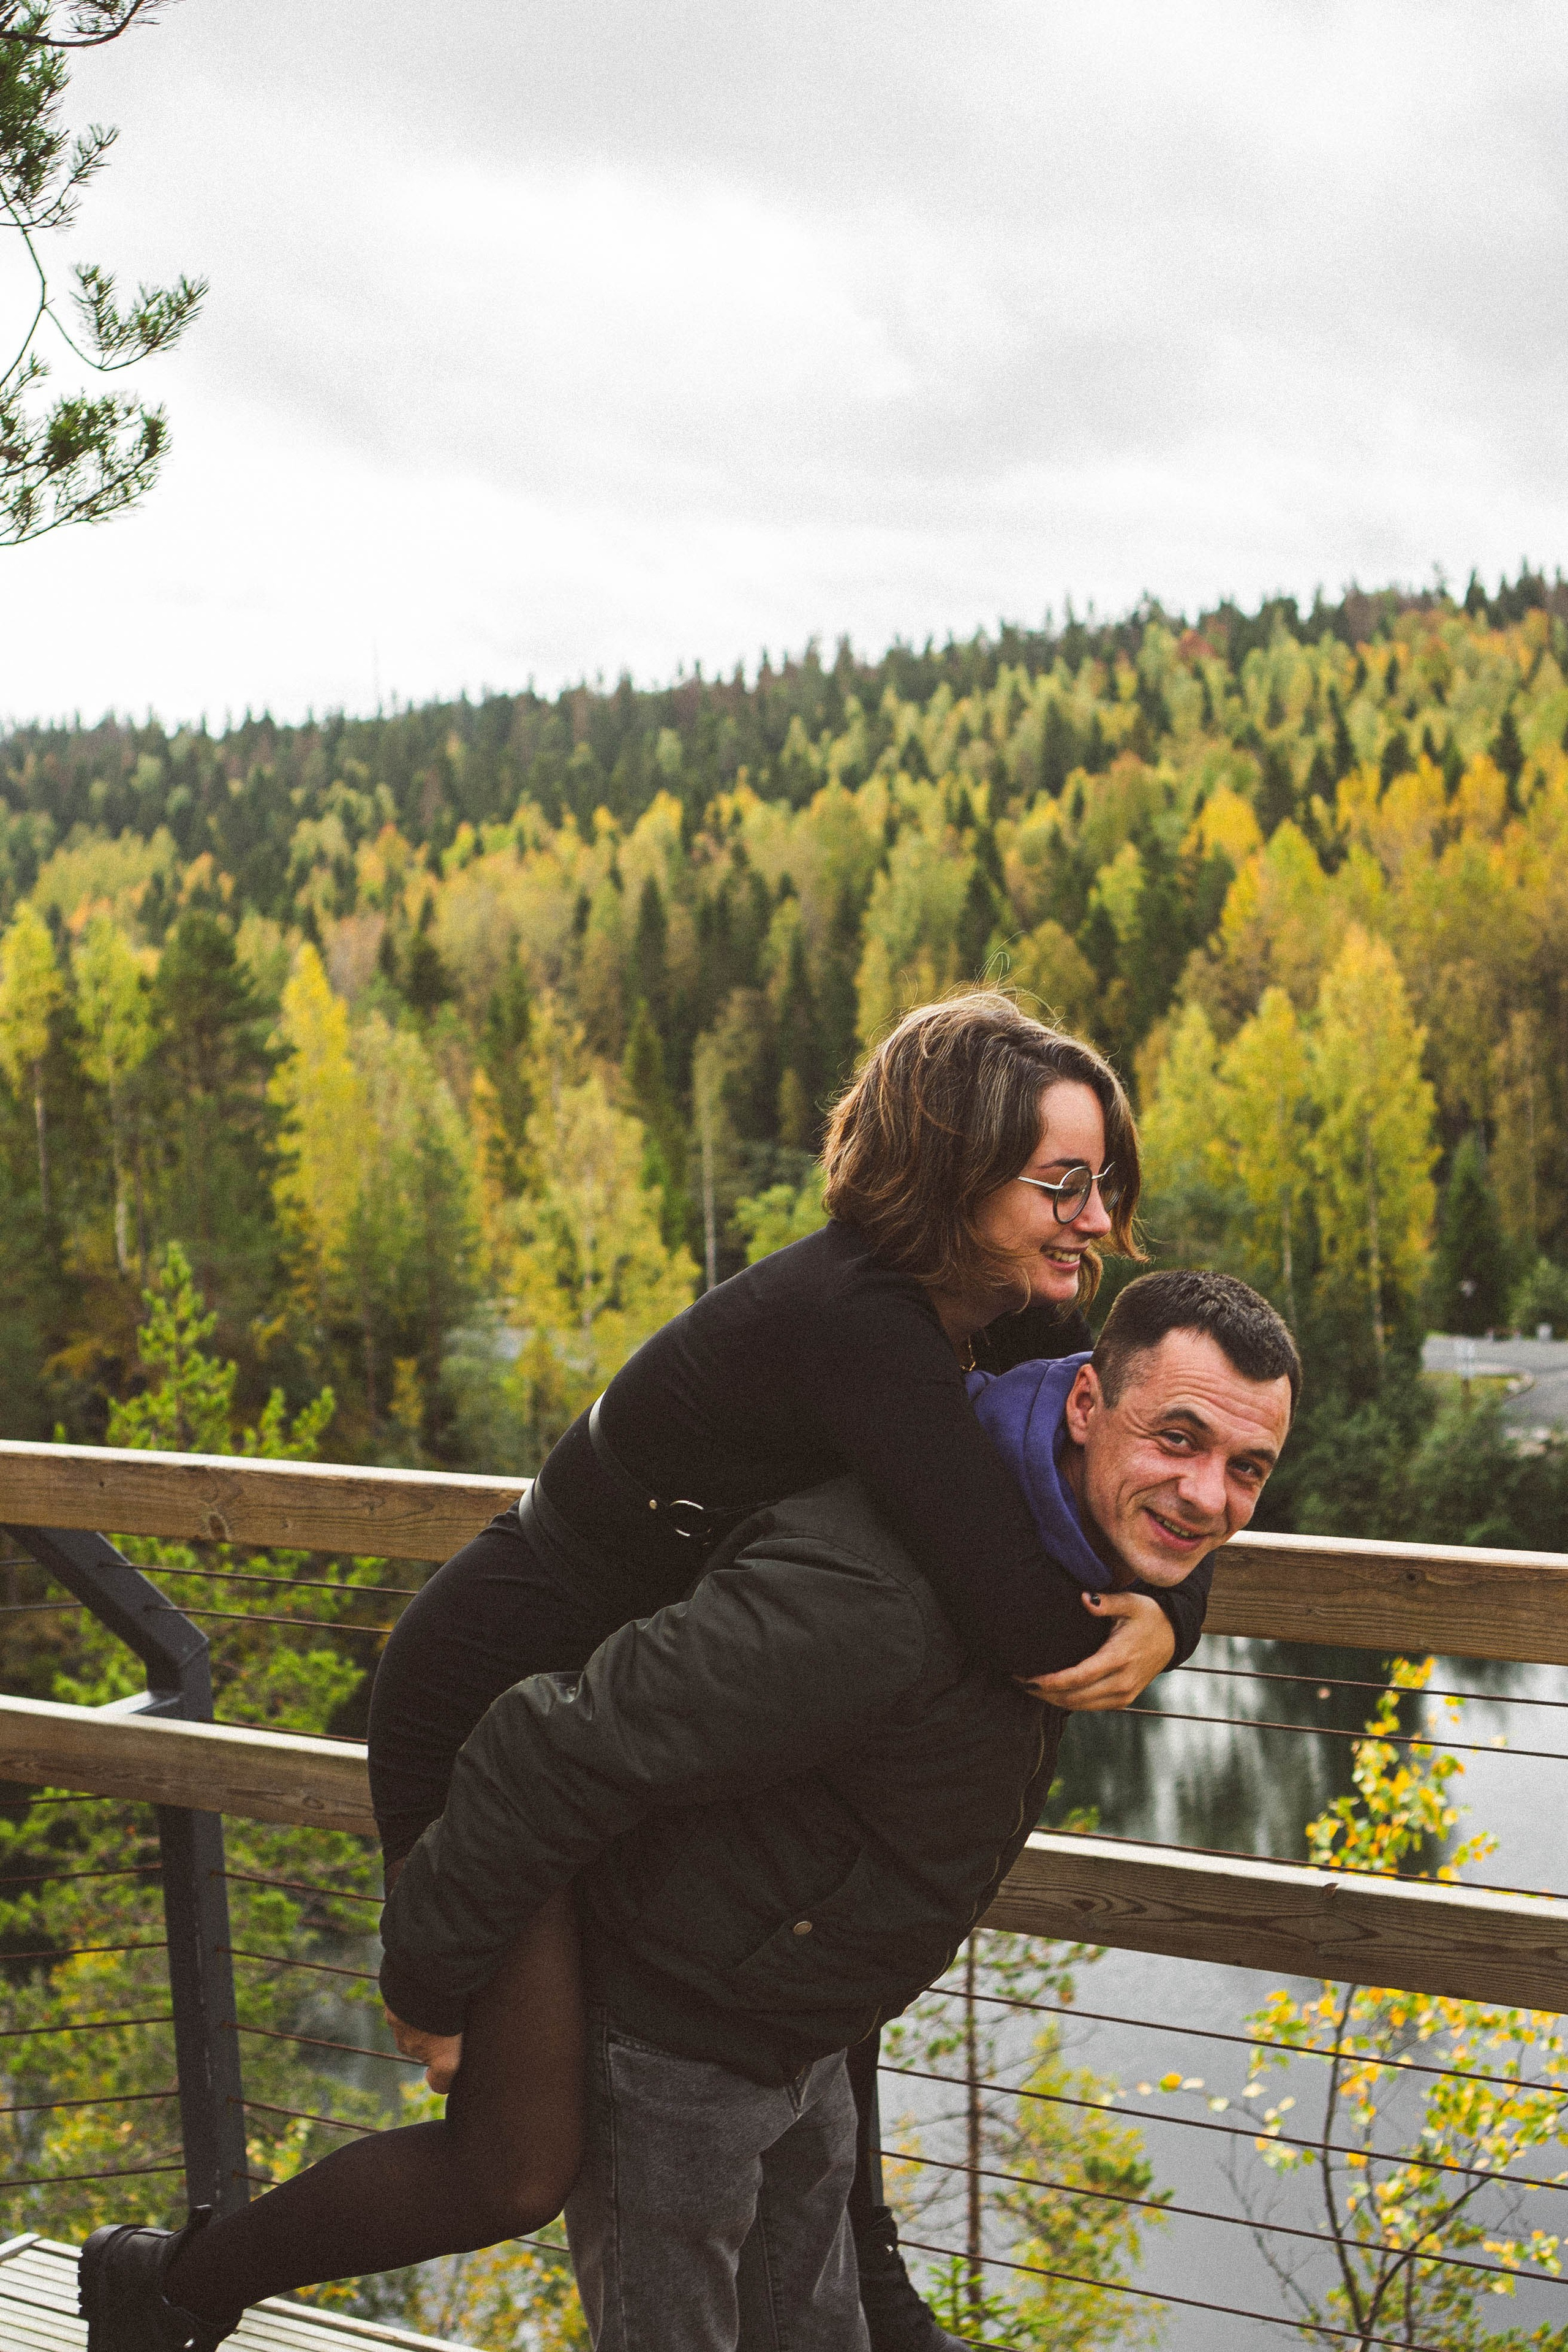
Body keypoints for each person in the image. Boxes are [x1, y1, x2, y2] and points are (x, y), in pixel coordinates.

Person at [79, 994, 1214, 2352]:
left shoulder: (1001, 1308)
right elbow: (1026, 1615)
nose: (1097, 1219)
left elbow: (1151, 1458)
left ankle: (879, 2309)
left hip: (649, 1700)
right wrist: (1154, 1615)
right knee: (512, 2161)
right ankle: (171, 2286)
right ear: (955, 1174)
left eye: (1107, 1185)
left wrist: (1178, 1603)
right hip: (501, 1698)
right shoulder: (859, 1322)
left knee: (800, 1958)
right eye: (1064, 1185)